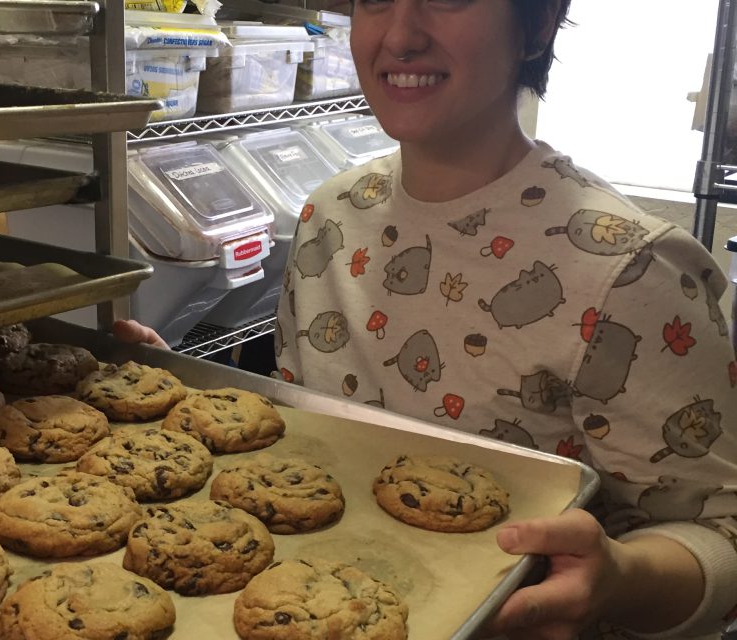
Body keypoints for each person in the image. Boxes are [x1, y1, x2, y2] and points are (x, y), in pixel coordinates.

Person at [115, 1, 737, 638]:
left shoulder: (629, 267)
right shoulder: (329, 217)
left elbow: (723, 535)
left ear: (539, 23)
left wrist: (622, 579)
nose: (400, 36)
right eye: (374, 0)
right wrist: (176, 396)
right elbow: (314, 426)